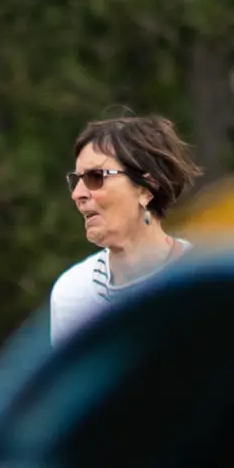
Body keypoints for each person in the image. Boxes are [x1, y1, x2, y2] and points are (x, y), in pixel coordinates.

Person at [51, 113, 205, 345]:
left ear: (146, 189)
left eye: (96, 176)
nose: (77, 194)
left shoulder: (205, 281)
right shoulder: (73, 293)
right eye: (77, 180)